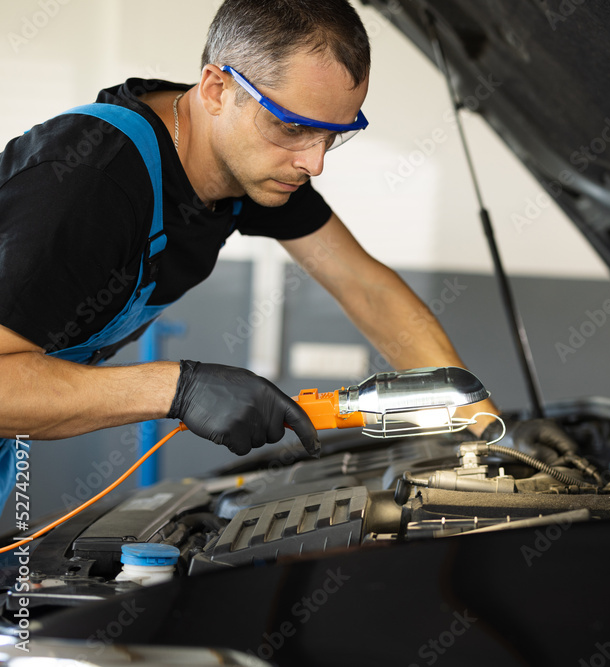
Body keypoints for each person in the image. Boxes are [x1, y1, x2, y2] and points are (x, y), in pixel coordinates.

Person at [0, 0, 497, 509]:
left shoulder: (247, 162)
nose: (314, 162)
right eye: (292, 127)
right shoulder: (89, 183)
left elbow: (364, 286)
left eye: (334, 135)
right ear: (218, 89)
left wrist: (482, 429)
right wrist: (180, 389)